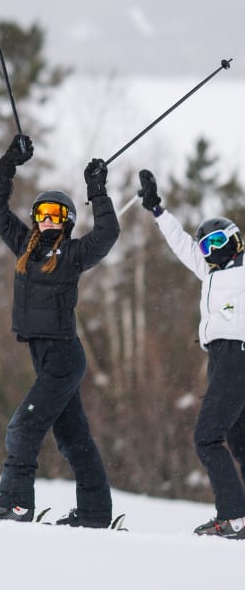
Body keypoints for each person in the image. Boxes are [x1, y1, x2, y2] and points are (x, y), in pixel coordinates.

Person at [0, 135, 120, 527]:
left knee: (22, 427)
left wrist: (97, 191)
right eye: (43, 213)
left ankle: (16, 503)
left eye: (57, 214)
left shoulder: (72, 254)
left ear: (68, 221)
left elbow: (106, 236)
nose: (48, 220)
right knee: (73, 439)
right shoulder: (24, 246)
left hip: (63, 357)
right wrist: (7, 165)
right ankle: (95, 513)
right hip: (44, 358)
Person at [138, 169, 245, 539]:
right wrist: (157, 210)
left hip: (238, 355)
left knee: (207, 436)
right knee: (239, 437)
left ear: (235, 240)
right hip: (220, 359)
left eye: (217, 241)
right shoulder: (211, 273)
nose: (211, 251)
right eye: (206, 246)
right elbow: (183, 245)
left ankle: (233, 515)